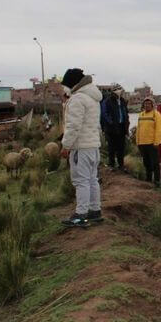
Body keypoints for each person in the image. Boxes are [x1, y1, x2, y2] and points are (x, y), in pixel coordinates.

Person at [60, 68, 103, 227]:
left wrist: (65, 146)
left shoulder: (78, 99)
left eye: (66, 85)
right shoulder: (93, 97)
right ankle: (94, 210)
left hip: (81, 148)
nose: (65, 88)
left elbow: (73, 126)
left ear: (72, 83)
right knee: (92, 179)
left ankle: (81, 214)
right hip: (93, 146)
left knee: (80, 181)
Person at [136, 97, 161, 187]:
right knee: (146, 162)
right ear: (143, 105)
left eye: (149, 104)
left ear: (152, 105)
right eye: (145, 104)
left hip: (152, 143)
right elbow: (138, 129)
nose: (147, 105)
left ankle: (157, 181)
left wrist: (156, 142)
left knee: (155, 163)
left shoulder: (156, 114)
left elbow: (159, 129)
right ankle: (148, 179)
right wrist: (137, 141)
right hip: (142, 143)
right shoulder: (141, 115)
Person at [101, 84, 130, 171]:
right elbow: (104, 113)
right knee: (111, 147)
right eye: (117, 89)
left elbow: (125, 112)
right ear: (113, 91)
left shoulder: (123, 100)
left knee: (121, 147)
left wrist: (127, 123)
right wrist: (111, 122)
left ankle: (121, 164)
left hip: (122, 127)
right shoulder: (107, 101)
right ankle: (111, 164)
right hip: (111, 128)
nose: (119, 91)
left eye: (120, 89)